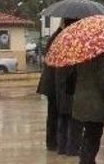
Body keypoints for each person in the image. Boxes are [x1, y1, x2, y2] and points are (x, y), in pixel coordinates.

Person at [73, 41, 104, 164]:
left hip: (81, 100)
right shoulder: (103, 57)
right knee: (93, 136)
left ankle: (85, 160)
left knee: (88, 135)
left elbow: (72, 78)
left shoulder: (82, 55)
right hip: (96, 103)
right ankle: (87, 161)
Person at [38, 19, 75, 153]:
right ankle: (56, 143)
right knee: (58, 113)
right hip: (55, 82)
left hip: (51, 82)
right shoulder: (61, 38)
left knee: (54, 113)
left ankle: (53, 143)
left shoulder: (56, 36)